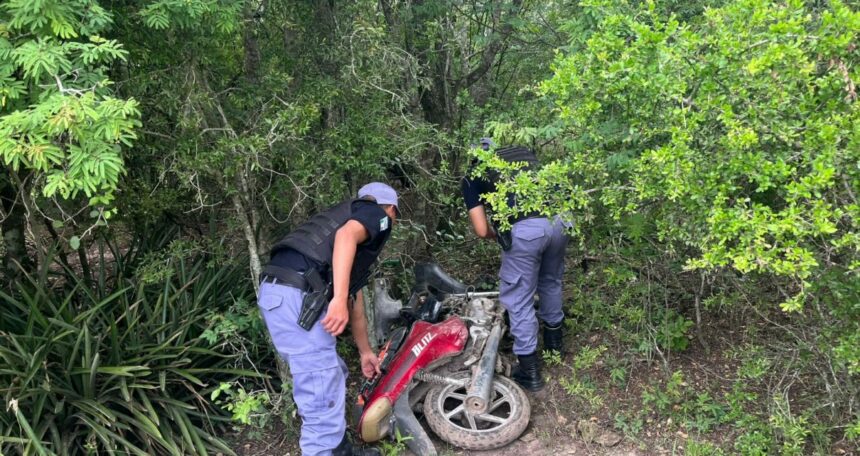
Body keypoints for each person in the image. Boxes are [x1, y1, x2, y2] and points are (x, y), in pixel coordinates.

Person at [257, 182, 399, 456]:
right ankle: (323, 451)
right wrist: (336, 299)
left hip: (280, 293)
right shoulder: (375, 215)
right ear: (391, 209)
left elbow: (353, 299)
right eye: (394, 217)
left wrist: (366, 352)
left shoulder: (341, 222)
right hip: (296, 294)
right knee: (320, 382)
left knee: (331, 371)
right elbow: (347, 237)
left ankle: (340, 449)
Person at [461, 139, 569, 392]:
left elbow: (480, 228)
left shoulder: (473, 176)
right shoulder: (524, 156)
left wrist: (500, 235)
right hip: (561, 222)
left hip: (527, 231)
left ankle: (529, 371)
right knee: (550, 282)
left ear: (475, 157)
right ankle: (555, 349)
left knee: (518, 296)